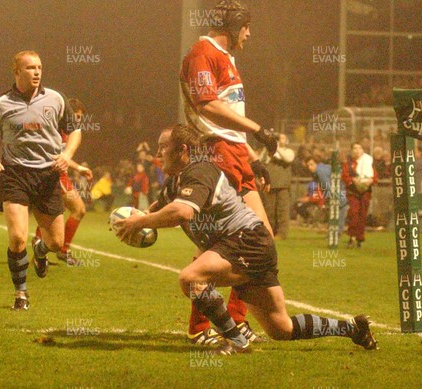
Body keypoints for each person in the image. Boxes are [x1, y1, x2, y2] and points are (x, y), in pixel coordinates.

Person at [114, 125, 378, 355]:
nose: (158, 154)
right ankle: (353, 328)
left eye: (163, 147)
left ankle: (236, 341)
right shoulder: (177, 181)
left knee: (191, 278)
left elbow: (182, 211)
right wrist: (136, 221)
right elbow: (163, 206)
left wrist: (139, 222)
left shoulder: (199, 171)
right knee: (281, 328)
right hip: (247, 246)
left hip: (245, 241)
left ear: (182, 150)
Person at [179, 0, 278, 345]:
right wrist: (259, 129)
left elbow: (229, 124)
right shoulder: (201, 53)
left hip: (234, 153)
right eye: (246, 26)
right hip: (216, 154)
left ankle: (231, 322)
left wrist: (253, 157)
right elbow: (208, 106)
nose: (249, 34)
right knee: (229, 245)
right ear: (233, 24)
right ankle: (203, 327)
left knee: (259, 240)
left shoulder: (227, 60)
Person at [0, 50, 81, 310]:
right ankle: (20, 294)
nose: (37, 72)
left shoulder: (55, 99)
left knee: (56, 243)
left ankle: (41, 251)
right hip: (15, 176)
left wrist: (67, 155)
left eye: (40, 68)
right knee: (18, 239)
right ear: (16, 72)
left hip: (47, 176)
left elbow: (75, 130)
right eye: (31, 68)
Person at [33, 98, 93, 265]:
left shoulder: (66, 132)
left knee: (54, 213)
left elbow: (63, 157)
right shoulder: (57, 130)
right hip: (54, 175)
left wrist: (78, 168)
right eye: (77, 116)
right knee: (79, 209)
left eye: (80, 118)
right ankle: (62, 251)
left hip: (59, 174)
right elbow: (55, 156)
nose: (79, 121)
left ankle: (40, 245)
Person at [341, 142, 377, 248]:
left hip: (365, 193)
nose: (357, 151)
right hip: (353, 193)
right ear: (352, 150)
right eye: (355, 148)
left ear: (363, 150)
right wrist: (353, 180)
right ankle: (352, 236)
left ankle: (359, 238)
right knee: (353, 213)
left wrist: (370, 180)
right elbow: (345, 176)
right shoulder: (348, 163)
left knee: (362, 215)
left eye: (359, 148)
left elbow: (374, 175)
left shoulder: (368, 162)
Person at [260, 133, 295, 240]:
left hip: (283, 185)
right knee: (269, 210)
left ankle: (282, 233)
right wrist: (267, 146)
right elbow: (262, 160)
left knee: (282, 210)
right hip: (270, 184)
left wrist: (276, 146)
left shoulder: (288, 151)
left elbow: (288, 159)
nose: (280, 139)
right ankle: (270, 231)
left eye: (283, 138)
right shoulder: (271, 152)